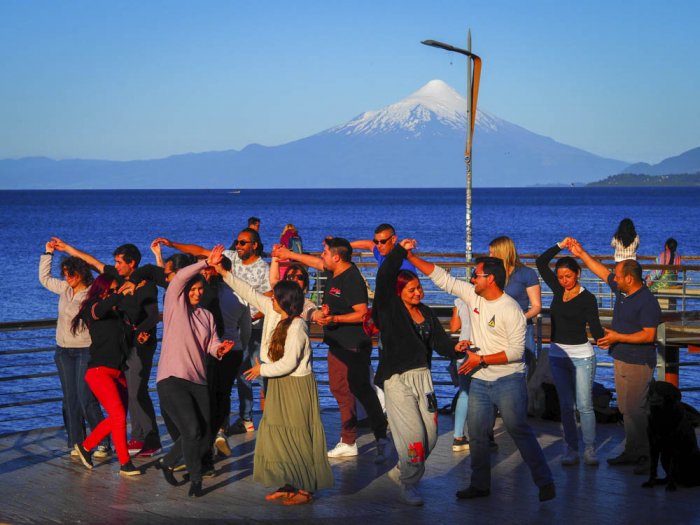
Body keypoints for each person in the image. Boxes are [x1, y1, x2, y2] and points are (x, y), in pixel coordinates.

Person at [405, 249, 555, 502]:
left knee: (518, 429)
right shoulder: (473, 297)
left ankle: (545, 482)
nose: (472, 279)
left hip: (508, 380)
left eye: (476, 275)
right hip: (479, 380)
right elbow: (442, 278)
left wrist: (481, 358)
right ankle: (480, 484)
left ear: (491, 280)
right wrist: (409, 256)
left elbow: (516, 352)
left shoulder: (511, 310)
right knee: (477, 434)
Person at [218, 266, 333, 505]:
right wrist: (223, 272)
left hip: (295, 385)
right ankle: (289, 482)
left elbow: (289, 363)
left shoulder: (298, 326)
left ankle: (305, 489)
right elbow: (249, 292)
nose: (271, 297)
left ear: (285, 300)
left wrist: (262, 370)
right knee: (279, 434)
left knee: (299, 435)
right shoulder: (273, 310)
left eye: (276, 295)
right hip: (278, 383)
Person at [372, 242, 465, 506]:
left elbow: (441, 343)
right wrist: (400, 251)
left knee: (431, 437)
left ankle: (402, 470)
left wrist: (457, 349)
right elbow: (384, 275)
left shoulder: (425, 312)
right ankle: (409, 484)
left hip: (423, 378)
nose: (418, 293)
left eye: (419, 287)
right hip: (397, 379)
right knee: (413, 437)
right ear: (399, 292)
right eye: (411, 290)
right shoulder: (388, 309)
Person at [51, 239, 162, 457]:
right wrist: (67, 248)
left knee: (137, 391)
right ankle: (137, 437)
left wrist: (141, 332)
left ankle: (147, 439)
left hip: (140, 343)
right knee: (128, 392)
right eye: (115, 262)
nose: (116, 265)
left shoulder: (146, 285)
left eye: (120, 262)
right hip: (122, 345)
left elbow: (153, 316)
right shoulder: (117, 279)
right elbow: (92, 262)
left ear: (132, 264)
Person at [155, 229, 271, 435]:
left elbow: (269, 294)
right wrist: (172, 244)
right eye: (238, 242)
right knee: (226, 388)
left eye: (243, 243)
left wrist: (258, 314)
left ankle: (232, 424)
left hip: (249, 331)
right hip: (232, 341)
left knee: (247, 378)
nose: (238, 246)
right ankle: (224, 427)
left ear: (254, 245)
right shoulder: (230, 260)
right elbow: (199, 251)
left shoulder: (261, 268)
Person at [569, 240, 661, 474]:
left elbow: (649, 335)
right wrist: (581, 253)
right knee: (625, 408)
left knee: (636, 409)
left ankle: (646, 456)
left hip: (639, 362)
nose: (615, 279)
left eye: (619, 276)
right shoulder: (623, 291)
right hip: (620, 358)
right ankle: (632, 451)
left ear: (629, 278)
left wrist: (618, 336)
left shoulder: (647, 301)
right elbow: (601, 272)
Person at [155, 246, 233, 498]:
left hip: (198, 380)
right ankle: (196, 479)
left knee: (204, 431)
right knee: (191, 430)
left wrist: (220, 349)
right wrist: (204, 263)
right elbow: (178, 279)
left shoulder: (206, 316)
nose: (198, 293)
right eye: (194, 289)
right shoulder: (175, 309)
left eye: (201, 289)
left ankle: (168, 462)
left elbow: (211, 345)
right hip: (172, 378)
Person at [536, 239, 604, 467]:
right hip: (557, 356)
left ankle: (590, 448)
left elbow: (595, 329)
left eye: (568, 276)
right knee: (566, 405)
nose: (564, 281)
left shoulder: (588, 298)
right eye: (561, 277)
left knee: (584, 405)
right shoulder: (557, 289)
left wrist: (611, 339)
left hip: (582, 356)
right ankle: (571, 448)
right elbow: (541, 262)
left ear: (578, 273)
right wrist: (559, 245)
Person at [39, 242, 109, 458]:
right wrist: (48, 253)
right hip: (63, 351)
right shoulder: (65, 289)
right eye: (65, 274)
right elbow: (44, 279)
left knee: (85, 396)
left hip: (84, 350)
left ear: (81, 273)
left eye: (71, 274)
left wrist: (70, 250)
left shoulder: (93, 292)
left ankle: (102, 442)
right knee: (69, 398)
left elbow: (102, 270)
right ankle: (76, 443)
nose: (67, 277)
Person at [70, 275, 140, 476]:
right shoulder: (91, 308)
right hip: (98, 371)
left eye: (114, 290)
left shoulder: (119, 314)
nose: (112, 294)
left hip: (118, 371)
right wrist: (118, 294)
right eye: (109, 290)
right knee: (117, 416)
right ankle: (124, 463)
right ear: (101, 290)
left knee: (119, 419)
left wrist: (138, 334)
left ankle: (87, 447)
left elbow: (132, 326)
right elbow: (101, 309)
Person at [488, 236, 541, 373]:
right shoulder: (491, 274)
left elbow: (536, 306)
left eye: (493, 253)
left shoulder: (526, 274)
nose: (490, 256)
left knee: (524, 370)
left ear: (502, 253)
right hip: (496, 329)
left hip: (522, 329)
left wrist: (522, 318)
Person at [450, 297, 471, 452]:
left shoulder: (460, 300)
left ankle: (458, 436)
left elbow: (454, 327)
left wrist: (456, 313)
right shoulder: (489, 299)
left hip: (463, 351)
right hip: (483, 350)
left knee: (464, 393)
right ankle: (486, 436)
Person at [350, 223, 417, 273]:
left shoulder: (404, 263)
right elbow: (369, 244)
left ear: (393, 239)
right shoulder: (381, 255)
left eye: (383, 241)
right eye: (376, 241)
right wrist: (344, 245)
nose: (379, 245)